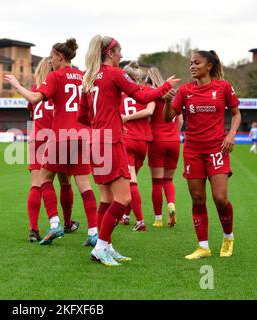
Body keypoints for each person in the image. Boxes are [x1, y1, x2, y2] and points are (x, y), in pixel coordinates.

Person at [78, 35, 180, 266]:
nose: (122, 55)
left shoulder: (89, 77)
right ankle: (101, 248)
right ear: (110, 53)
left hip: (96, 140)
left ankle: (106, 246)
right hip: (110, 141)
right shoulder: (114, 73)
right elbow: (142, 95)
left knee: (106, 198)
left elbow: (82, 116)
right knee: (123, 199)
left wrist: (103, 121)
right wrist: (165, 86)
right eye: (120, 51)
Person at [5, 38, 99, 246]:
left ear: (60, 56)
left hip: (61, 136)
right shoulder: (84, 77)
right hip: (83, 135)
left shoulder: (56, 76)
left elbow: (34, 99)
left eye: (52, 56)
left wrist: (17, 85)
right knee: (84, 184)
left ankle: (55, 223)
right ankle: (93, 232)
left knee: (45, 178)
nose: (50, 61)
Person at [164, 50, 241, 259]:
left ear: (209, 66)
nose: (192, 66)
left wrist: (231, 135)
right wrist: (166, 100)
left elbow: (236, 113)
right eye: (190, 63)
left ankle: (228, 236)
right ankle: (203, 247)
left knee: (220, 198)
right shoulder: (185, 91)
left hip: (217, 148)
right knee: (198, 198)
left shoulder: (223, 87)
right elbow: (167, 117)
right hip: (193, 150)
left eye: (196, 63)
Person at [26, 57, 78, 242]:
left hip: (37, 137)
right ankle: (67, 222)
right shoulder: (60, 85)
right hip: (57, 137)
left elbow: (32, 112)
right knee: (65, 182)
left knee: (36, 184)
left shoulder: (35, 89)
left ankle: (33, 229)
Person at [145, 67, 183, 228]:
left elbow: (147, 117)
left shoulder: (153, 96)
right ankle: (171, 204)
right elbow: (180, 120)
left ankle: (158, 219)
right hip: (174, 140)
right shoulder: (173, 96)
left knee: (156, 182)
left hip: (157, 140)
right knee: (168, 180)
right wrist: (174, 133)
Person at [119, 61, 153, 231]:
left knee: (130, 181)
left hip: (127, 139)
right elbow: (150, 111)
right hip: (143, 141)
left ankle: (140, 221)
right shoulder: (147, 91)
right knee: (130, 180)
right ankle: (125, 216)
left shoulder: (120, 93)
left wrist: (127, 118)